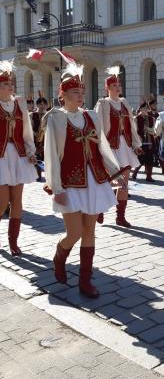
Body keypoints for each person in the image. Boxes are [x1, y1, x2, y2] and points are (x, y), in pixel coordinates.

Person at [44, 63, 124, 298]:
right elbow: (51, 155)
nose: (80, 96)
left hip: (95, 179)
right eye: (75, 92)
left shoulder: (91, 116)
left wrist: (115, 172)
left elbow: (103, 146)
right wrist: (55, 185)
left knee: (89, 230)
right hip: (69, 182)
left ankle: (85, 281)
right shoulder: (56, 119)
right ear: (63, 95)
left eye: (82, 92)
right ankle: (60, 256)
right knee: (74, 232)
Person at [94, 67, 143, 227]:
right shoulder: (103, 103)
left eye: (118, 85)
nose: (117, 87)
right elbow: (99, 127)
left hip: (125, 146)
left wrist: (136, 144)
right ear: (107, 88)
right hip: (110, 147)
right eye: (114, 85)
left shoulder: (124, 102)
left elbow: (132, 125)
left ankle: (120, 216)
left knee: (124, 182)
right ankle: (100, 208)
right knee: (109, 181)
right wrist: (100, 148)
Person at [0, 60, 38, 256]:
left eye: (11, 82)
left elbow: (27, 131)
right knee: (2, 200)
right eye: (5, 83)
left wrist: (31, 152)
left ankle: (13, 242)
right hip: (0, 157)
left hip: (18, 155)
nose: (10, 86)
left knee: (17, 201)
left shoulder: (19, 103)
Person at [131, 102, 156, 182]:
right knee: (140, 159)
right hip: (140, 142)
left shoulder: (152, 119)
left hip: (150, 142)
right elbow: (134, 131)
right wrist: (137, 139)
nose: (145, 110)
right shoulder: (136, 118)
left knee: (150, 159)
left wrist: (148, 129)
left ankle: (149, 176)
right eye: (143, 108)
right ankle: (134, 173)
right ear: (140, 109)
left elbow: (154, 131)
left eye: (146, 108)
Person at [30, 96, 49, 182]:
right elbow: (29, 127)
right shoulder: (32, 115)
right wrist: (36, 133)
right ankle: (38, 175)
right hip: (35, 137)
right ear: (37, 105)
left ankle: (48, 175)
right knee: (36, 156)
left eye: (44, 104)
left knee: (46, 156)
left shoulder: (49, 115)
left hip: (46, 138)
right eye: (40, 104)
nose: (42, 105)